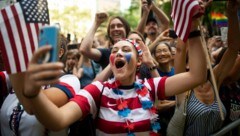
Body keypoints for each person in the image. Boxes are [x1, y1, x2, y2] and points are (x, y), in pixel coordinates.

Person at [11, 13, 207, 135]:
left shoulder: (150, 87)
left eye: (125, 50)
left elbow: (196, 76)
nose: (118, 53)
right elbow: (58, 120)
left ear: (139, 61)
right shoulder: (98, 90)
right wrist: (34, 93)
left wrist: (194, 28)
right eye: (114, 51)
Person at [171, 1, 240, 135]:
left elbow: (233, 48)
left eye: (205, 53)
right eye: (197, 54)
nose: (203, 56)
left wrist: (231, 13)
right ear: (186, 64)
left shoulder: (215, 80)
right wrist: (190, 17)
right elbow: (180, 50)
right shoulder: (181, 87)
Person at [0, 34, 79, 136]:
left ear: (60, 52)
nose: (37, 51)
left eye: (43, 45)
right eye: (32, 46)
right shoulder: (18, 76)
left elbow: (32, 106)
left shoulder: (70, 80)